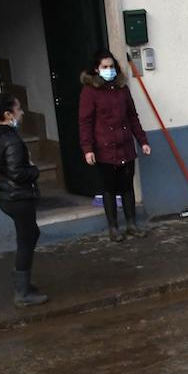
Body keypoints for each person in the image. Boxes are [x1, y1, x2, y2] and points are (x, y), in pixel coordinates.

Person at [0, 93, 49, 309]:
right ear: (7, 114)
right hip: (17, 196)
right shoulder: (10, 139)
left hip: (8, 195)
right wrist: (34, 171)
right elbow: (17, 173)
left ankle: (24, 283)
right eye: (18, 109)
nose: (22, 113)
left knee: (29, 235)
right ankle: (22, 291)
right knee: (27, 238)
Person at [78, 50, 151, 241]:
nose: (109, 70)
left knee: (127, 187)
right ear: (96, 69)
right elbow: (85, 122)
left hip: (125, 146)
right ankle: (113, 228)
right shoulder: (90, 91)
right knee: (109, 188)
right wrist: (88, 149)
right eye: (105, 67)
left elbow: (132, 116)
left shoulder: (121, 88)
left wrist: (142, 141)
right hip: (105, 148)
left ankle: (131, 225)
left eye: (111, 67)